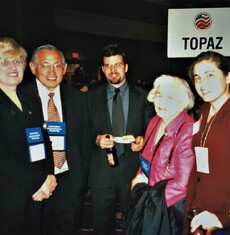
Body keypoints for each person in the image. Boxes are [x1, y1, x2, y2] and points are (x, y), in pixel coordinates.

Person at [20, 44, 91, 234]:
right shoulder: (20, 97)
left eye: (57, 65)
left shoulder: (77, 98)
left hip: (68, 181)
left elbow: (84, 142)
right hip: (35, 182)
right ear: (33, 68)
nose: (52, 71)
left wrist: (80, 181)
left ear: (64, 68)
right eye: (45, 65)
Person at [86, 44, 155, 235]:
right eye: (108, 65)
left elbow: (151, 128)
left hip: (132, 170)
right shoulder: (89, 98)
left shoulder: (143, 97)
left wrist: (142, 140)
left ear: (125, 67)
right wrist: (97, 139)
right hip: (101, 172)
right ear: (102, 69)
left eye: (117, 65)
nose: (113, 70)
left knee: (135, 221)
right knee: (101, 225)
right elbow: (83, 132)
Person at [0, 37, 57, 235]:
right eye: (4, 61)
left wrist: (50, 175)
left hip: (37, 194)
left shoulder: (30, 99)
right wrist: (38, 182)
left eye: (17, 61)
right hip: (9, 199)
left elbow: (45, 140)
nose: (12, 67)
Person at [130, 74, 195, 234]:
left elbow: (183, 184)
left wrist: (149, 198)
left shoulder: (188, 130)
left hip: (168, 208)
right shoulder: (154, 121)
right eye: (159, 96)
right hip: (150, 200)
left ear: (183, 102)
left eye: (170, 97)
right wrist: (138, 179)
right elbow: (145, 160)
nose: (162, 102)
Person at [184, 51, 230, 234]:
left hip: (225, 220)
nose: (202, 84)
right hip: (200, 210)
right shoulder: (204, 110)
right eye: (197, 78)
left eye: (210, 75)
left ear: (228, 76)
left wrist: (227, 217)